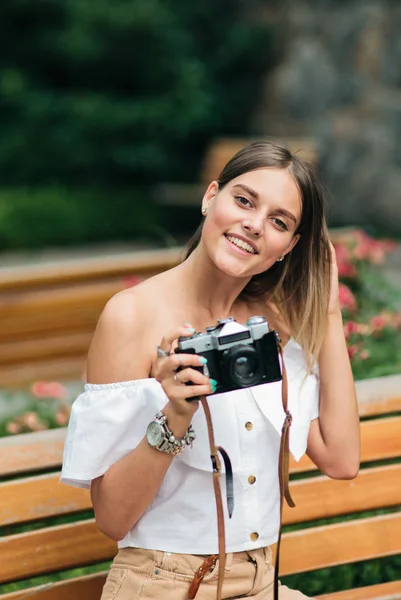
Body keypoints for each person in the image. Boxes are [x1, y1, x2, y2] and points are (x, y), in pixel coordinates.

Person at [61, 140, 360, 599]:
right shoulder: (132, 317)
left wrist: (329, 314)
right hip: (162, 585)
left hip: (261, 585)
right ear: (209, 197)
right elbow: (111, 518)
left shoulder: (272, 324)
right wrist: (176, 412)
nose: (255, 225)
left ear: (289, 247)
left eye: (279, 222)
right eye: (244, 200)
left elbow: (341, 459)